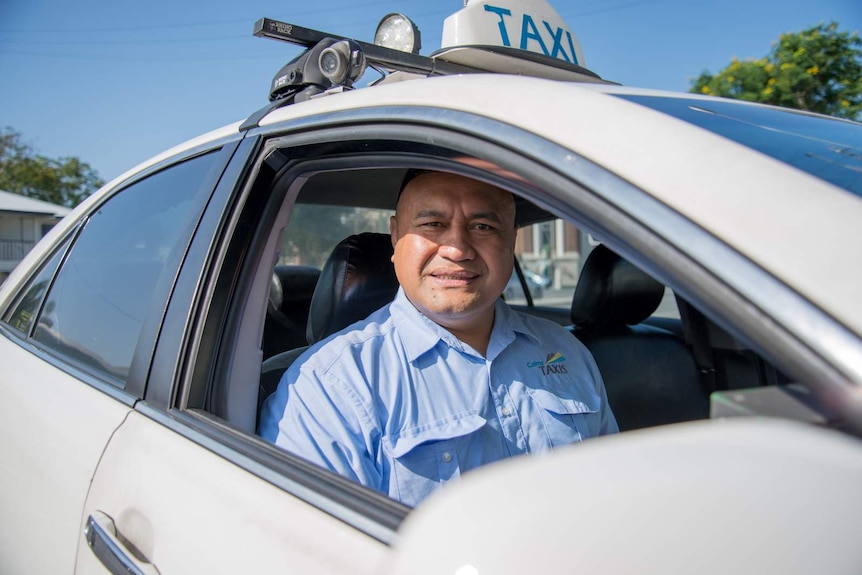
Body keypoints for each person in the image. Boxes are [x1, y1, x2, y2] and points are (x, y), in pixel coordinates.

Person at [259, 171, 618, 506]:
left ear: (511, 240)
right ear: (396, 237)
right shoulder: (331, 384)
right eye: (433, 225)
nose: (457, 249)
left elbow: (615, 492)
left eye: (482, 225)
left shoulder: (565, 352)